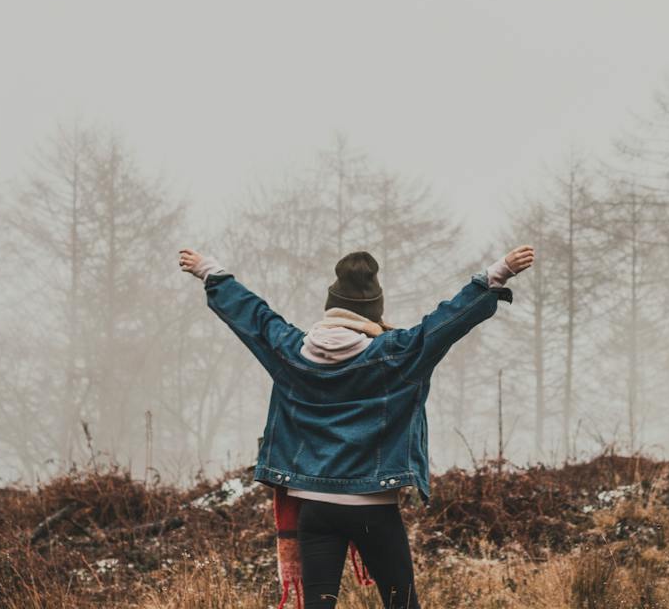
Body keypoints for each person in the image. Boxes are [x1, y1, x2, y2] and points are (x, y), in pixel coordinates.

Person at [179, 242, 534, 608]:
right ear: (373, 311)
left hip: (314, 507)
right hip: (372, 507)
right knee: (401, 602)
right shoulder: (396, 354)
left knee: (320, 604)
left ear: (331, 308)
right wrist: (496, 274)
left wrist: (211, 272)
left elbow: (254, 317)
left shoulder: (290, 350)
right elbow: (444, 323)